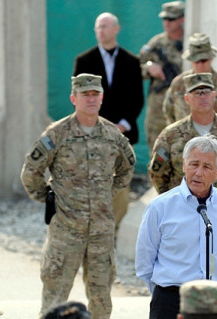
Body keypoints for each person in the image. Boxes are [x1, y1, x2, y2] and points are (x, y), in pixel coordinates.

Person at [20, 73, 135, 319]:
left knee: (101, 300)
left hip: (101, 234)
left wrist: (107, 193)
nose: (91, 99)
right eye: (85, 95)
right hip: (66, 232)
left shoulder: (112, 135)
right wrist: (50, 198)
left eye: (95, 94)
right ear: (74, 98)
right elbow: (31, 171)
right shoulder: (57, 134)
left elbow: (127, 167)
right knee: (55, 298)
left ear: (102, 98)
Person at [148, 73, 217, 312]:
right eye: (197, 93)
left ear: (215, 96)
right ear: (187, 98)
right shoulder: (171, 135)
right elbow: (158, 173)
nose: (203, 97)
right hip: (182, 218)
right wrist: (177, 202)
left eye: (207, 92)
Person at [136, 135, 217, 319]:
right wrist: (165, 294)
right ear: (184, 165)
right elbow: (144, 262)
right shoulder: (160, 207)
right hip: (170, 302)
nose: (198, 172)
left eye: (207, 167)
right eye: (194, 164)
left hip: (216, 302)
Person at [72, 12, 144, 232]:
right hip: (92, 133)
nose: (101, 31)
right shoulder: (84, 61)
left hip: (122, 133)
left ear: (116, 29)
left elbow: (137, 97)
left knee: (120, 185)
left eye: (105, 26)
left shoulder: (132, 62)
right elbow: (80, 98)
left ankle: (115, 229)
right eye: (98, 27)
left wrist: (123, 123)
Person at [163, 33, 217, 124]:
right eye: (196, 61)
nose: (200, 65)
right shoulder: (178, 84)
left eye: (204, 60)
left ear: (211, 58)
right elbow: (169, 113)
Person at [139, 1, 185, 151]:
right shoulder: (156, 44)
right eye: (164, 19)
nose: (167, 23)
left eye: (171, 19)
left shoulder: (190, 43)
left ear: (181, 19)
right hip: (158, 109)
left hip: (182, 106)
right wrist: (148, 67)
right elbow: (135, 69)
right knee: (157, 150)